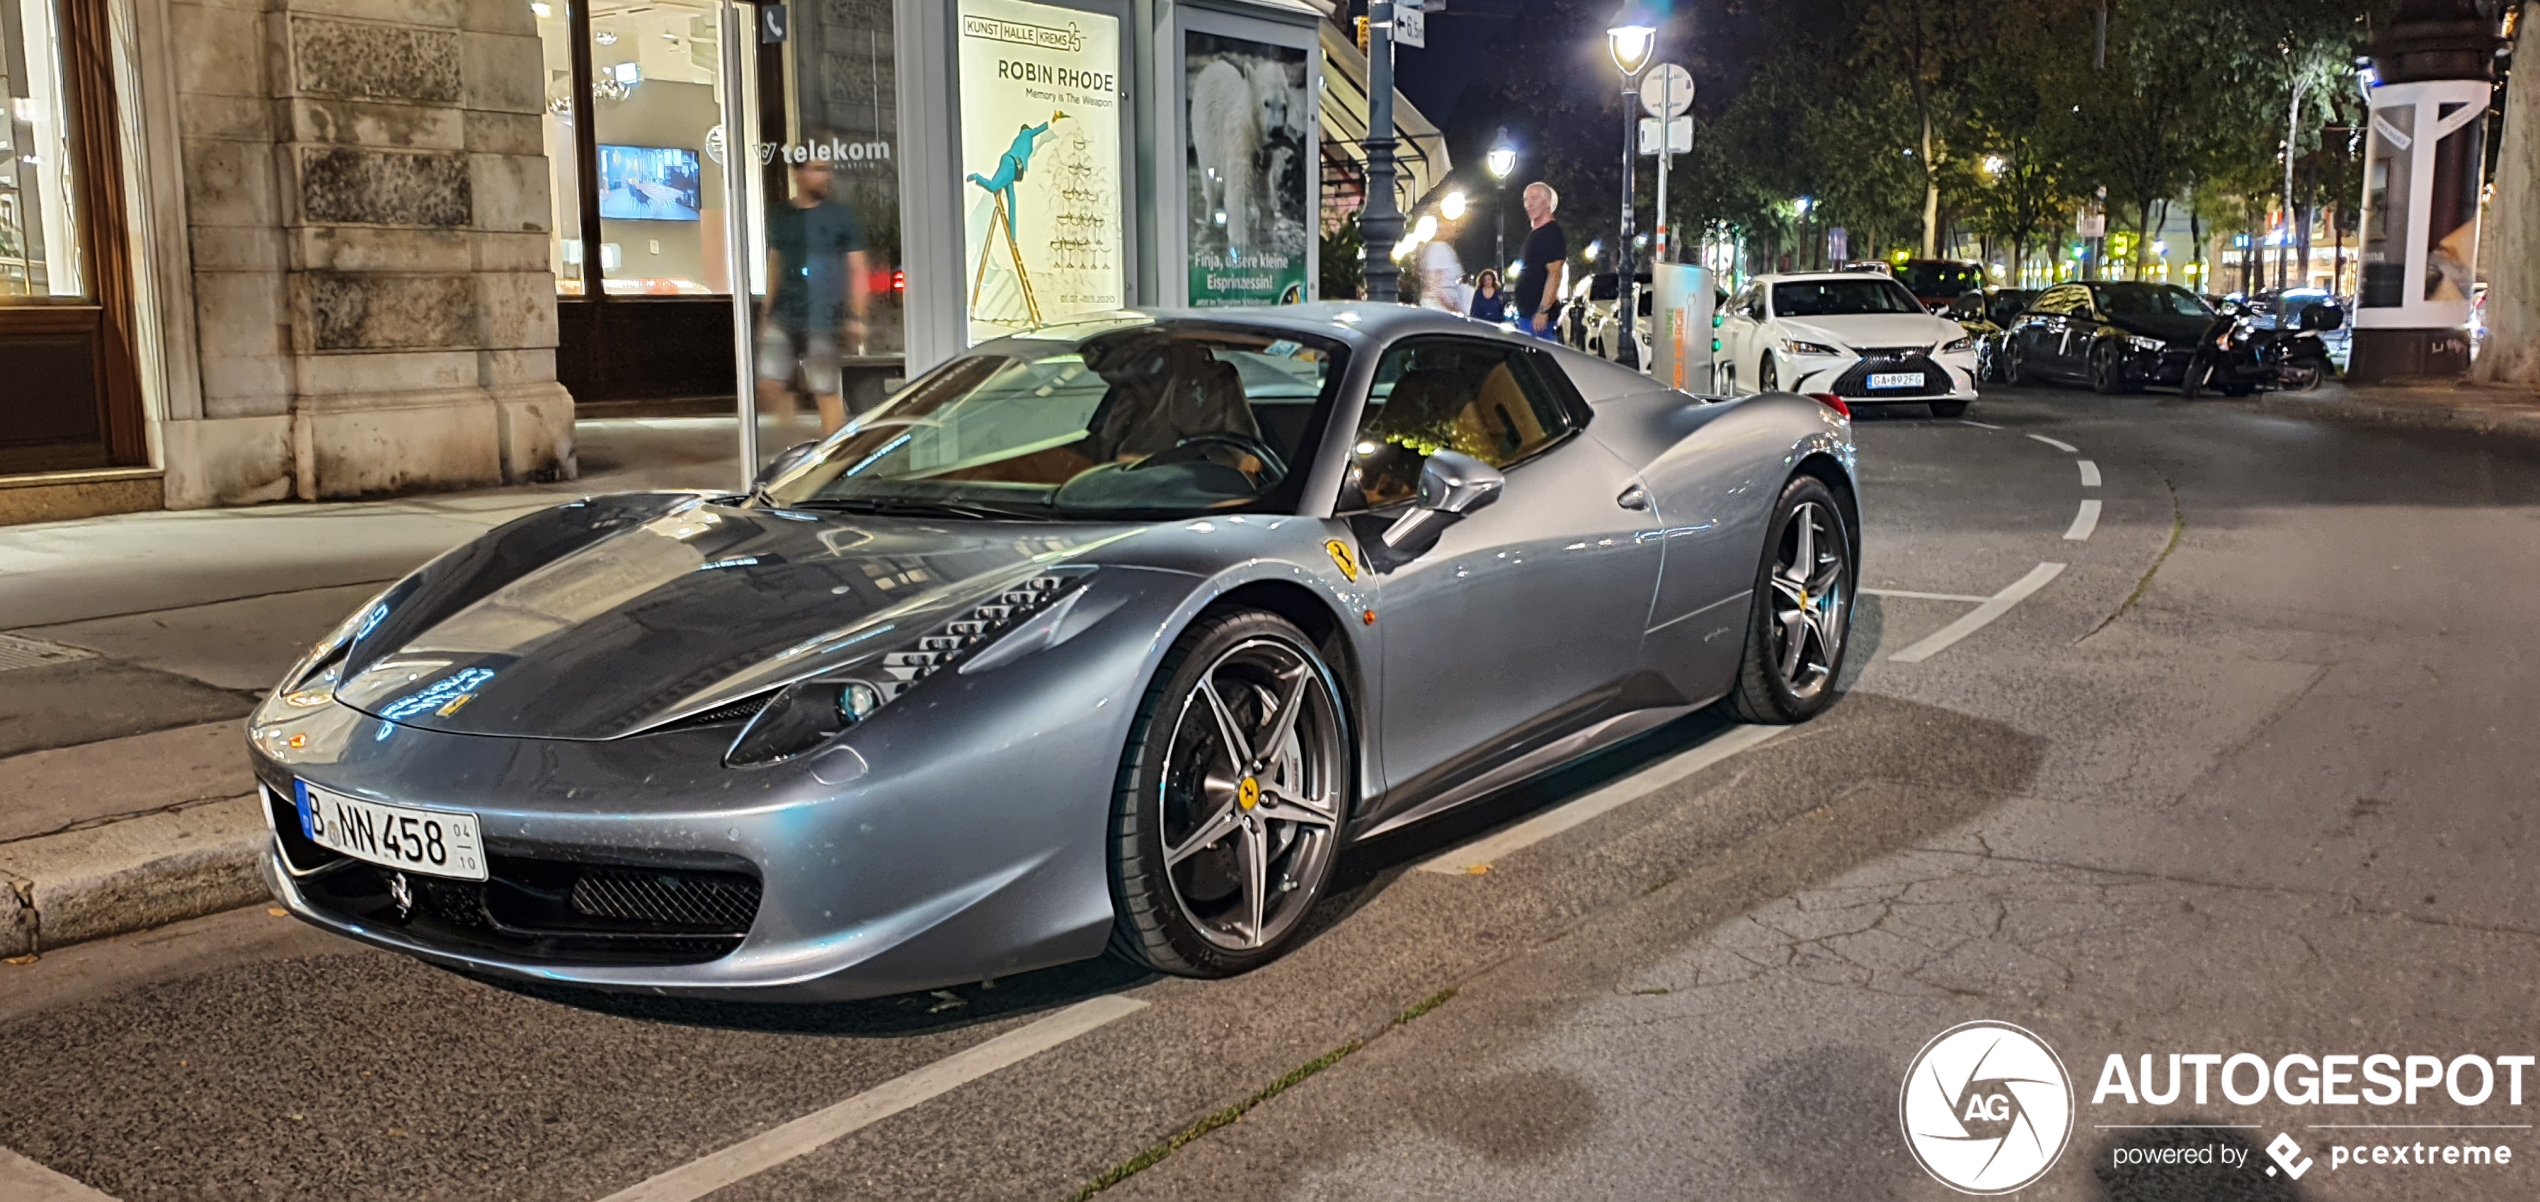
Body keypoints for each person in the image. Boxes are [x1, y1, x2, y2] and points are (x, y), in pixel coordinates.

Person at [757, 156, 870, 436]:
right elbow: (776, 264)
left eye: (827, 170)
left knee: (825, 391)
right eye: (817, 169)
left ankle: (832, 455)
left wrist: (856, 316)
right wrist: (767, 311)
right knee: (768, 382)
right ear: (798, 173)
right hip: (786, 312)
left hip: (823, 315)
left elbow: (858, 269)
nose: (826, 176)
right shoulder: (783, 215)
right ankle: (798, 438)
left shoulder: (839, 216)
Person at [1508, 182, 1568, 339]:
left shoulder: (1551, 233)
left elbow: (1555, 273)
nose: (1528, 204)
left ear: (1547, 202)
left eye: (1534, 198)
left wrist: (1543, 310)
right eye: (1525, 199)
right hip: (1529, 316)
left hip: (1537, 320)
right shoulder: (1538, 233)